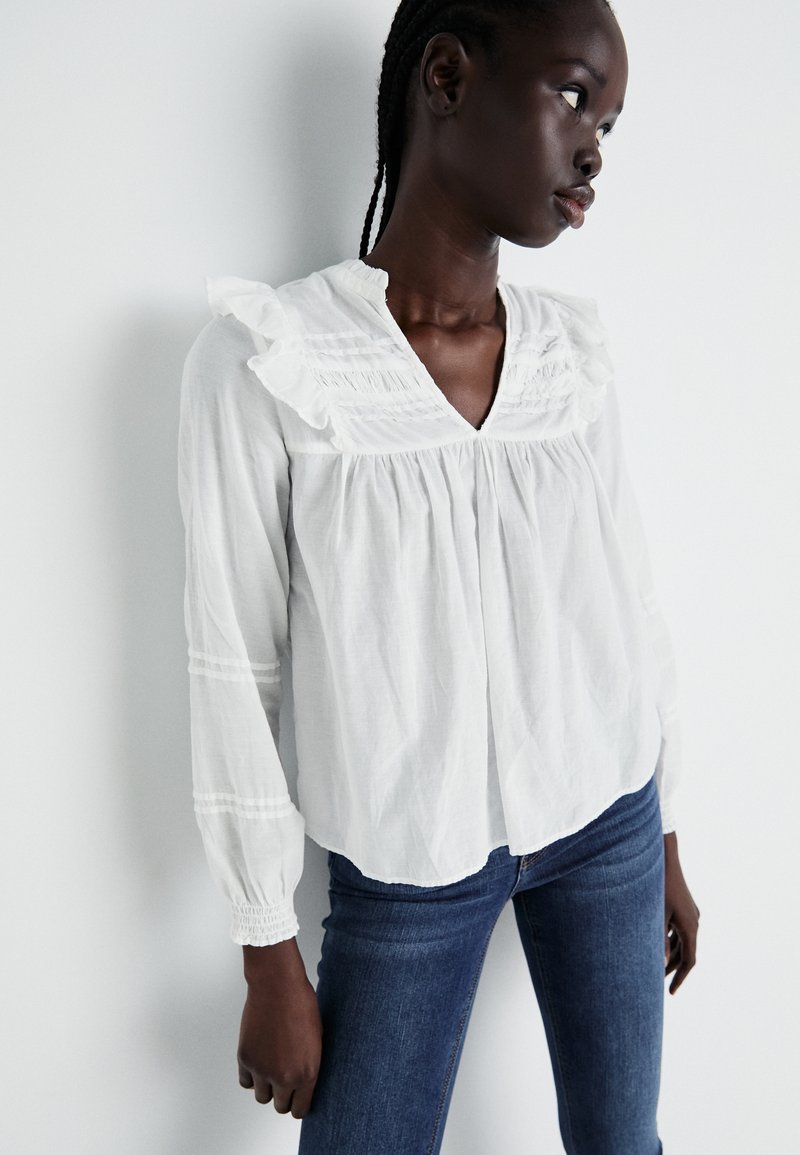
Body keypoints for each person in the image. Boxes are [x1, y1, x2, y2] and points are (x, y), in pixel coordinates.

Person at [177, 0, 701, 1151]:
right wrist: (266, 947)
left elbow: (625, 598)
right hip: (407, 868)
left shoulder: (570, 353)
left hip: (608, 820)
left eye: (608, 123)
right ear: (448, 77)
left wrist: (663, 829)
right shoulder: (271, 364)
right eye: (572, 97)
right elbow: (233, 665)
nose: (593, 149)